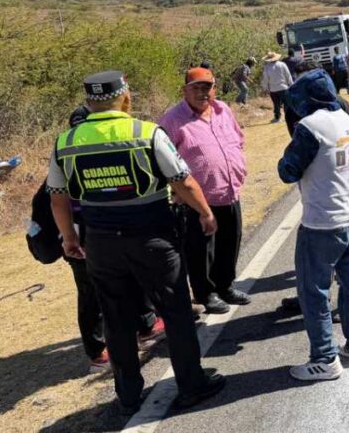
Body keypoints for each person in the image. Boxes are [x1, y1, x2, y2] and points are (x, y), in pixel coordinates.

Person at [47, 71, 225, 413]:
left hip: (100, 240)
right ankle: (191, 384)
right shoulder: (145, 131)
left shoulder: (65, 142)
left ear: (89, 101)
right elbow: (182, 181)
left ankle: (128, 396)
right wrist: (205, 212)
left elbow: (58, 197)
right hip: (152, 236)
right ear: (124, 95)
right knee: (175, 312)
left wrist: (69, 238)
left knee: (115, 319)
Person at [29, 105, 165, 374]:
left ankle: (143, 326)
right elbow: (53, 207)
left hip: (104, 236)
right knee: (92, 294)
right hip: (81, 242)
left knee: (126, 280)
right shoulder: (65, 162)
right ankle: (99, 349)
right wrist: (68, 239)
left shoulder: (84, 157)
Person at [278, 69, 349, 380]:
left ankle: (324, 359)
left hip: (320, 223)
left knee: (313, 291)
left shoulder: (309, 127)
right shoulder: (347, 121)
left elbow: (287, 171)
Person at [160, 68, 250, 315]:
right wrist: (175, 190)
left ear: (215, 88)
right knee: (201, 249)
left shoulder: (223, 110)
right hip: (196, 200)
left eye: (207, 87)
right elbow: (162, 161)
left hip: (229, 190)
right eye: (196, 88)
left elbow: (238, 140)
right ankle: (205, 293)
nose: (202, 93)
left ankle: (226, 286)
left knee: (230, 241)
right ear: (185, 90)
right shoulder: (173, 120)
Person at [261, 51, 293, 123]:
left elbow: (265, 79)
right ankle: (288, 117)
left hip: (273, 89)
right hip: (283, 87)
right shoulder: (282, 64)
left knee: (276, 104)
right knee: (286, 104)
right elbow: (288, 75)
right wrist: (291, 84)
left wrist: (265, 88)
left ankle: (277, 118)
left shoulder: (267, 67)